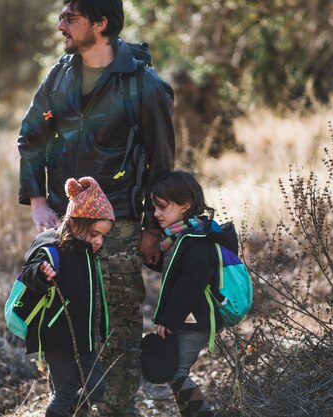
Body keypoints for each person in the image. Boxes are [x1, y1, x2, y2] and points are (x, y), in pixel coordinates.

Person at [17, 1, 175, 415]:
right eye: (61, 16)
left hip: (117, 229)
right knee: (66, 328)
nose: (60, 26)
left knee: (119, 332)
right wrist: (37, 203)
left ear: (101, 23)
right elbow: (31, 138)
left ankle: (119, 411)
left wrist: (152, 230)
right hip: (65, 232)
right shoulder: (59, 75)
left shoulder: (145, 85)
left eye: (70, 18)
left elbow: (162, 164)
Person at [19, 177, 114, 417]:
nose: (98, 242)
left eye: (103, 236)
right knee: (65, 390)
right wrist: (41, 272)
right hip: (55, 336)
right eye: (94, 234)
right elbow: (27, 273)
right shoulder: (51, 246)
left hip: (84, 336)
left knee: (98, 387)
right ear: (75, 224)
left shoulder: (88, 252)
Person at [148, 171, 238, 417]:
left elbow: (191, 282)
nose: (156, 214)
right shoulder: (182, 236)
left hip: (195, 319)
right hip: (188, 318)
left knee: (177, 374)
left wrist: (169, 319)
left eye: (162, 207)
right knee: (176, 375)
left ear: (185, 205)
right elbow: (178, 271)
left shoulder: (195, 238)